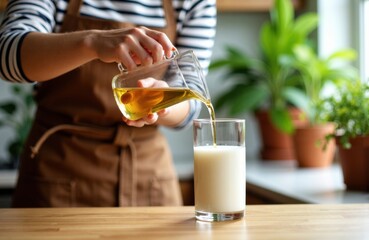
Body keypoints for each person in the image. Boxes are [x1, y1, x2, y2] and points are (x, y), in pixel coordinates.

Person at [0, 0, 216, 207]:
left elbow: (193, 97)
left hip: (150, 177)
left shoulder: (194, 1)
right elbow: (7, 54)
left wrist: (161, 102)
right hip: (57, 172)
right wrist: (91, 42)